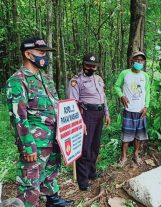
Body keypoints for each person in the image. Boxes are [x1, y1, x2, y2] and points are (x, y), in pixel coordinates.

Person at [5, 37, 74, 207]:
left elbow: (57, 107)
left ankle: (52, 199)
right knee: (30, 178)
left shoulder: (46, 79)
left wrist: (69, 130)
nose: (45, 56)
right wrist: (28, 145)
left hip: (53, 138)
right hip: (36, 142)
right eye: (42, 53)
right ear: (28, 54)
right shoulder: (17, 81)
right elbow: (18, 117)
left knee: (51, 171)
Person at [68, 53, 110, 191]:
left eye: (94, 66)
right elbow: (73, 103)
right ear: (83, 65)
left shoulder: (99, 79)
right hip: (86, 114)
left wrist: (106, 113)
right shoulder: (76, 80)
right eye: (88, 65)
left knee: (95, 146)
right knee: (85, 148)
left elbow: (103, 97)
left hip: (99, 114)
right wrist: (80, 121)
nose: (91, 68)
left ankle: (92, 172)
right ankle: (83, 181)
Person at [114, 51, 150, 167]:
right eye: (137, 60)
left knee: (139, 135)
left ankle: (136, 154)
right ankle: (124, 157)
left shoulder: (145, 76)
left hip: (141, 111)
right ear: (132, 61)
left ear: (143, 62)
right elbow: (116, 86)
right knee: (126, 135)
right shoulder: (125, 73)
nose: (139, 62)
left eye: (141, 60)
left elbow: (147, 92)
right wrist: (121, 95)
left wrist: (146, 106)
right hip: (129, 110)